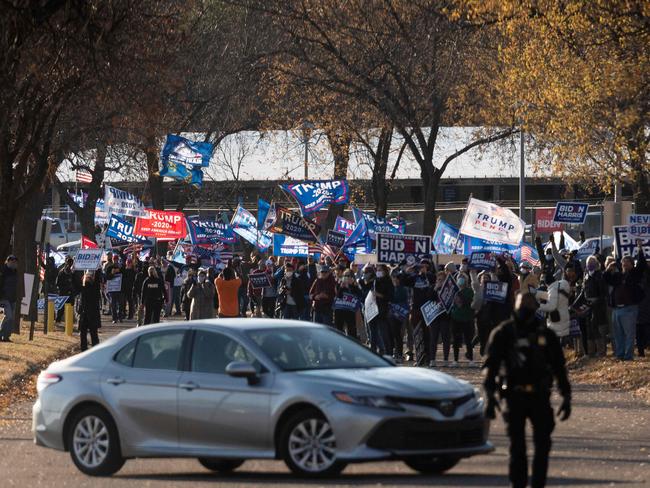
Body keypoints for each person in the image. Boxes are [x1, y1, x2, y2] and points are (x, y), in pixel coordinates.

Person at [483, 292, 571, 488]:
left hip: (540, 396)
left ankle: (538, 483)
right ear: (515, 305)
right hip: (514, 395)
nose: (526, 308)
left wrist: (566, 395)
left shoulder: (546, 335)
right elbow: (492, 367)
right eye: (523, 304)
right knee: (517, 447)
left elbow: (558, 367)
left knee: (543, 445)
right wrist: (489, 396)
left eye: (530, 304)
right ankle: (518, 484)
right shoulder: (503, 332)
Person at [604, 241, 646, 360]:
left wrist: (640, 249)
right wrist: (608, 269)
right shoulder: (618, 276)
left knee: (629, 334)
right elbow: (606, 279)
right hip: (617, 309)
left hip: (629, 309)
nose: (624, 265)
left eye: (627, 263)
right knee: (618, 335)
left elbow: (642, 264)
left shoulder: (634, 274)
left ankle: (628, 356)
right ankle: (620, 354)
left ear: (632, 264)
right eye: (623, 263)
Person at [536, 265, 572, 341]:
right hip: (565, 312)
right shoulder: (563, 283)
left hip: (557, 317)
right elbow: (560, 295)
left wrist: (539, 305)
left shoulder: (552, 290)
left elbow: (551, 307)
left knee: (555, 339)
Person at [582, 255, 608, 356]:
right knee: (589, 328)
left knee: (596, 328)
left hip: (597, 305)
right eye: (588, 264)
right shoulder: (586, 275)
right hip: (587, 304)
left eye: (591, 263)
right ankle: (591, 351)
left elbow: (603, 293)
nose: (589, 265)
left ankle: (601, 350)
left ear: (596, 264)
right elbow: (583, 291)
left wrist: (596, 302)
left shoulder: (599, 275)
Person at [449, 272, 475, 366]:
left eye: (462, 278)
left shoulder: (470, 291)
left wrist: (459, 294)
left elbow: (468, 302)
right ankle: (455, 360)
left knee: (468, 340)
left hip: (467, 318)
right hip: (456, 318)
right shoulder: (453, 291)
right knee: (456, 340)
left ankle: (471, 360)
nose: (460, 279)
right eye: (459, 278)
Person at [77, 271, 102, 351]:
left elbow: (97, 280)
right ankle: (83, 349)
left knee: (94, 333)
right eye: (85, 277)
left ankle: (95, 350)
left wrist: (97, 269)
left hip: (92, 314)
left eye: (88, 277)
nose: (86, 278)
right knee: (83, 333)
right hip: (84, 314)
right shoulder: (82, 288)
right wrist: (74, 272)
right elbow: (75, 283)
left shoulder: (95, 289)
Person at [334, 269, 362, 339]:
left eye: (348, 275)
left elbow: (359, 295)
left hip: (350, 311)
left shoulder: (355, 285)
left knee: (351, 331)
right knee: (339, 331)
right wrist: (341, 287)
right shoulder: (339, 283)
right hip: (339, 311)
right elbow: (337, 296)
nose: (346, 277)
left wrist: (351, 286)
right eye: (345, 275)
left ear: (352, 277)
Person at [0, 255, 18, 342]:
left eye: (15, 262)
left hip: (13, 298)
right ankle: (1, 334)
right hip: (4, 297)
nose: (14, 263)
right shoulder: (3, 271)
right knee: (9, 316)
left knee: (10, 318)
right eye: (13, 261)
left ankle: (6, 336)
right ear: (8, 261)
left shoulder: (15, 271)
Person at [105, 254, 124, 324]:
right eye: (114, 259)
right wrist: (112, 273)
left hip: (120, 289)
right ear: (112, 260)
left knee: (121, 304)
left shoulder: (121, 267)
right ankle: (114, 318)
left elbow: (124, 276)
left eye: (116, 259)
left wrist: (119, 270)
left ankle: (120, 317)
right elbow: (107, 277)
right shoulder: (109, 268)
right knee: (113, 305)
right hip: (112, 289)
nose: (115, 261)